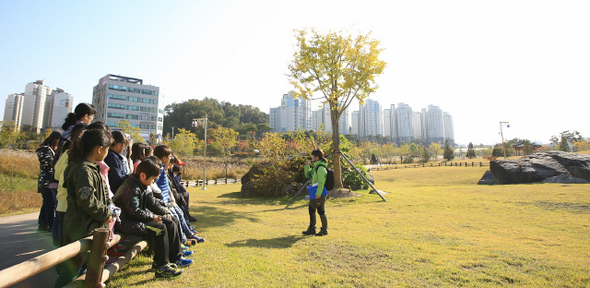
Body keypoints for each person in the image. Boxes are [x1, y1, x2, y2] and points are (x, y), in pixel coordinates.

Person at [113, 157, 192, 278]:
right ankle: (161, 266)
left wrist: (165, 211)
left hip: (136, 219)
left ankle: (174, 258)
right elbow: (134, 211)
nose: (153, 182)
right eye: (153, 179)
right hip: (126, 222)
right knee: (160, 228)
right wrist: (153, 217)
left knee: (170, 221)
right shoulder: (131, 186)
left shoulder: (142, 185)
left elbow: (151, 202)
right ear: (143, 175)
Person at [56, 127, 114, 287]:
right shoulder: (83, 170)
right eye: (108, 148)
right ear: (100, 149)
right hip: (81, 227)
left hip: (87, 226)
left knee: (80, 268)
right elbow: (87, 200)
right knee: (74, 268)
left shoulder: (89, 167)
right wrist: (106, 214)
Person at [154, 145, 205, 243]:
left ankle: (188, 235)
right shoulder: (159, 171)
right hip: (165, 203)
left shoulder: (164, 171)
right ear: (164, 158)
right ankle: (183, 239)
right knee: (176, 217)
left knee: (180, 214)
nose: (170, 159)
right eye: (169, 157)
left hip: (169, 202)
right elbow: (159, 189)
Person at [36, 131, 62, 234]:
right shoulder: (45, 150)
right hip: (46, 181)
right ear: (55, 140)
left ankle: (42, 225)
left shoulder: (48, 149)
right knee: (49, 203)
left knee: (46, 203)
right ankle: (50, 225)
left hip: (47, 180)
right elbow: (48, 165)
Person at [302, 149, 329, 236]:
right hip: (313, 190)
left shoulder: (321, 168)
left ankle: (324, 229)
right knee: (311, 209)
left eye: (313, 156)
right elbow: (307, 175)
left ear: (317, 157)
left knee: (320, 210)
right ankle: (311, 228)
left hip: (319, 192)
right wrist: (307, 166)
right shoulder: (315, 166)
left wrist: (318, 193)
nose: (311, 157)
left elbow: (321, 182)